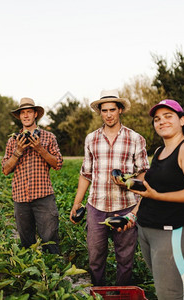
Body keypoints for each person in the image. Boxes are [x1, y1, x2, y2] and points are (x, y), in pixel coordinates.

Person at [129, 99, 184, 300]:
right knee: (163, 288)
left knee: (170, 295)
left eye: (168, 116)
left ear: (181, 120)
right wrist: (133, 213)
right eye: (157, 119)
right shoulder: (159, 151)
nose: (161, 121)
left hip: (173, 231)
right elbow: (150, 189)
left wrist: (158, 196)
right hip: (148, 230)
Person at [69, 89, 150, 286]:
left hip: (126, 206)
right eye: (104, 110)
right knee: (95, 259)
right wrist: (76, 203)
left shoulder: (135, 138)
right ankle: (99, 291)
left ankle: (122, 292)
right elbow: (86, 173)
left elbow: (143, 173)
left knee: (125, 259)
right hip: (96, 207)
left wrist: (129, 183)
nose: (108, 114)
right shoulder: (91, 139)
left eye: (112, 109)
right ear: (100, 112)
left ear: (120, 110)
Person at [1, 97, 63, 254]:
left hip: (43, 197)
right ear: (20, 116)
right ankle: (32, 275)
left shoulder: (48, 137)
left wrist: (40, 148)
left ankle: (53, 273)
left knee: (50, 240)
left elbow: (57, 164)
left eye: (29, 112)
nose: (26, 116)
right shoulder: (13, 141)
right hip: (21, 197)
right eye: (23, 113)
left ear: (36, 114)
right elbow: (6, 170)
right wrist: (19, 151)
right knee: (26, 243)